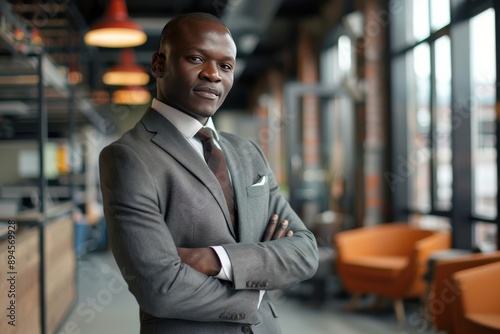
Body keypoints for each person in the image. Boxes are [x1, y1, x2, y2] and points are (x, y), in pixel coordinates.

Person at [99, 12, 319, 334]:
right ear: (159, 64)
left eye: (226, 66)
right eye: (196, 58)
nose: (213, 75)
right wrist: (257, 288)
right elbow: (160, 288)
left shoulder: (248, 152)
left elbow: (305, 252)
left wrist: (218, 260)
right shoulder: (129, 158)